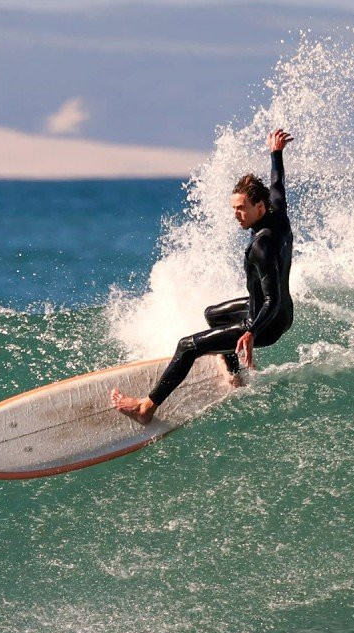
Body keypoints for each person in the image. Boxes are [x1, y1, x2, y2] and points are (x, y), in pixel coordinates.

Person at [111, 128, 295, 424]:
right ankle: (235, 375)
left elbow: (270, 301)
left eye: (242, 209)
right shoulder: (278, 213)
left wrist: (251, 332)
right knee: (212, 314)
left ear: (259, 207)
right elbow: (277, 183)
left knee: (187, 346)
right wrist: (276, 153)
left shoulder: (261, 245)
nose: (237, 215)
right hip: (283, 312)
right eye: (234, 209)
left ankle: (146, 407)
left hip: (267, 321)